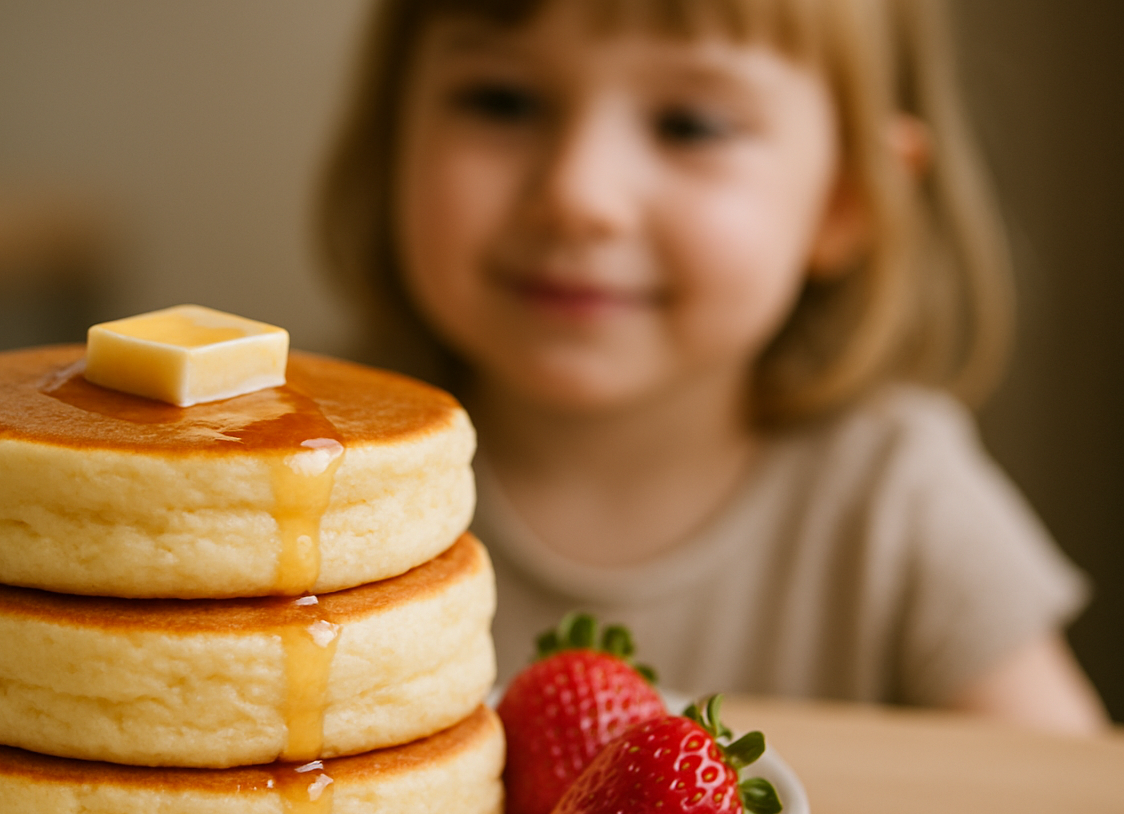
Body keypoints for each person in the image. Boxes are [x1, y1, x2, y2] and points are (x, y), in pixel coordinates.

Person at [318, 0, 1109, 733]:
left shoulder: (896, 498)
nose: (578, 194)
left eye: (690, 124)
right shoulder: (313, 475)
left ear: (846, 198)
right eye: (503, 101)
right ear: (396, 139)